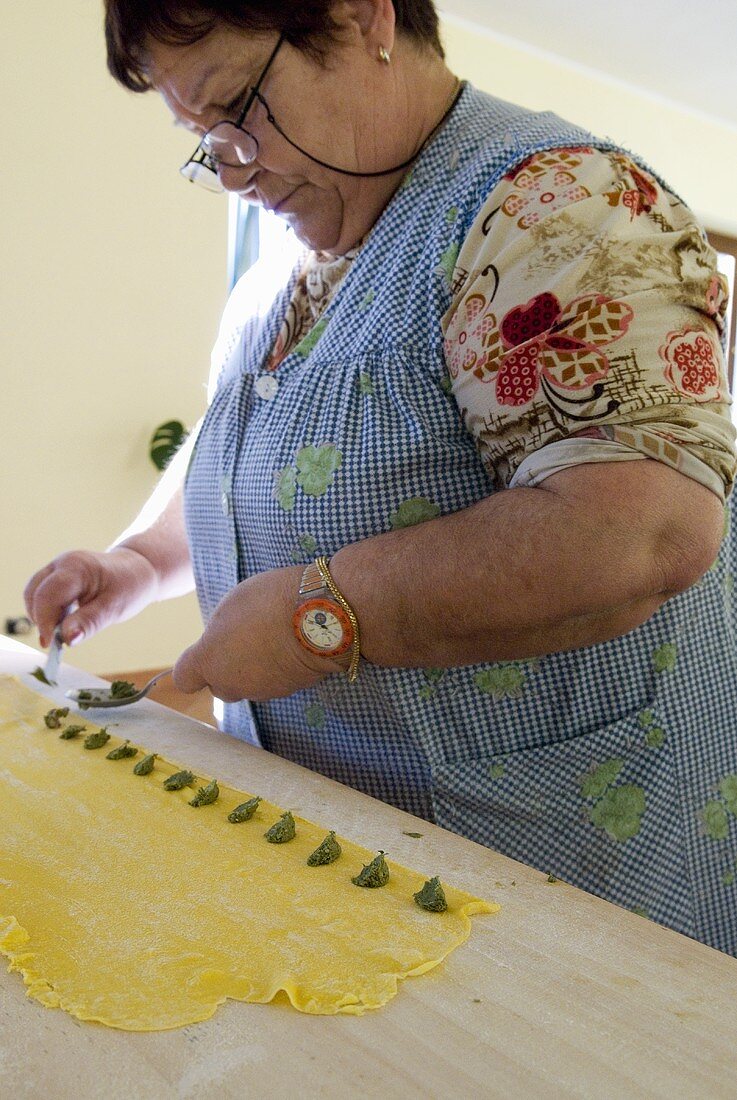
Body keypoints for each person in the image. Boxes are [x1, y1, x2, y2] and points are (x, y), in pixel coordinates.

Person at [24, 0, 737, 954]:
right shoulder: (280, 269)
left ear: (362, 17)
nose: (232, 169)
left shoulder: (564, 206)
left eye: (239, 106)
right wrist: (141, 563)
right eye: (205, 141)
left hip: (551, 847)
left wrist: (316, 618)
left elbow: (642, 529)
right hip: (338, 838)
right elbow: (260, 450)